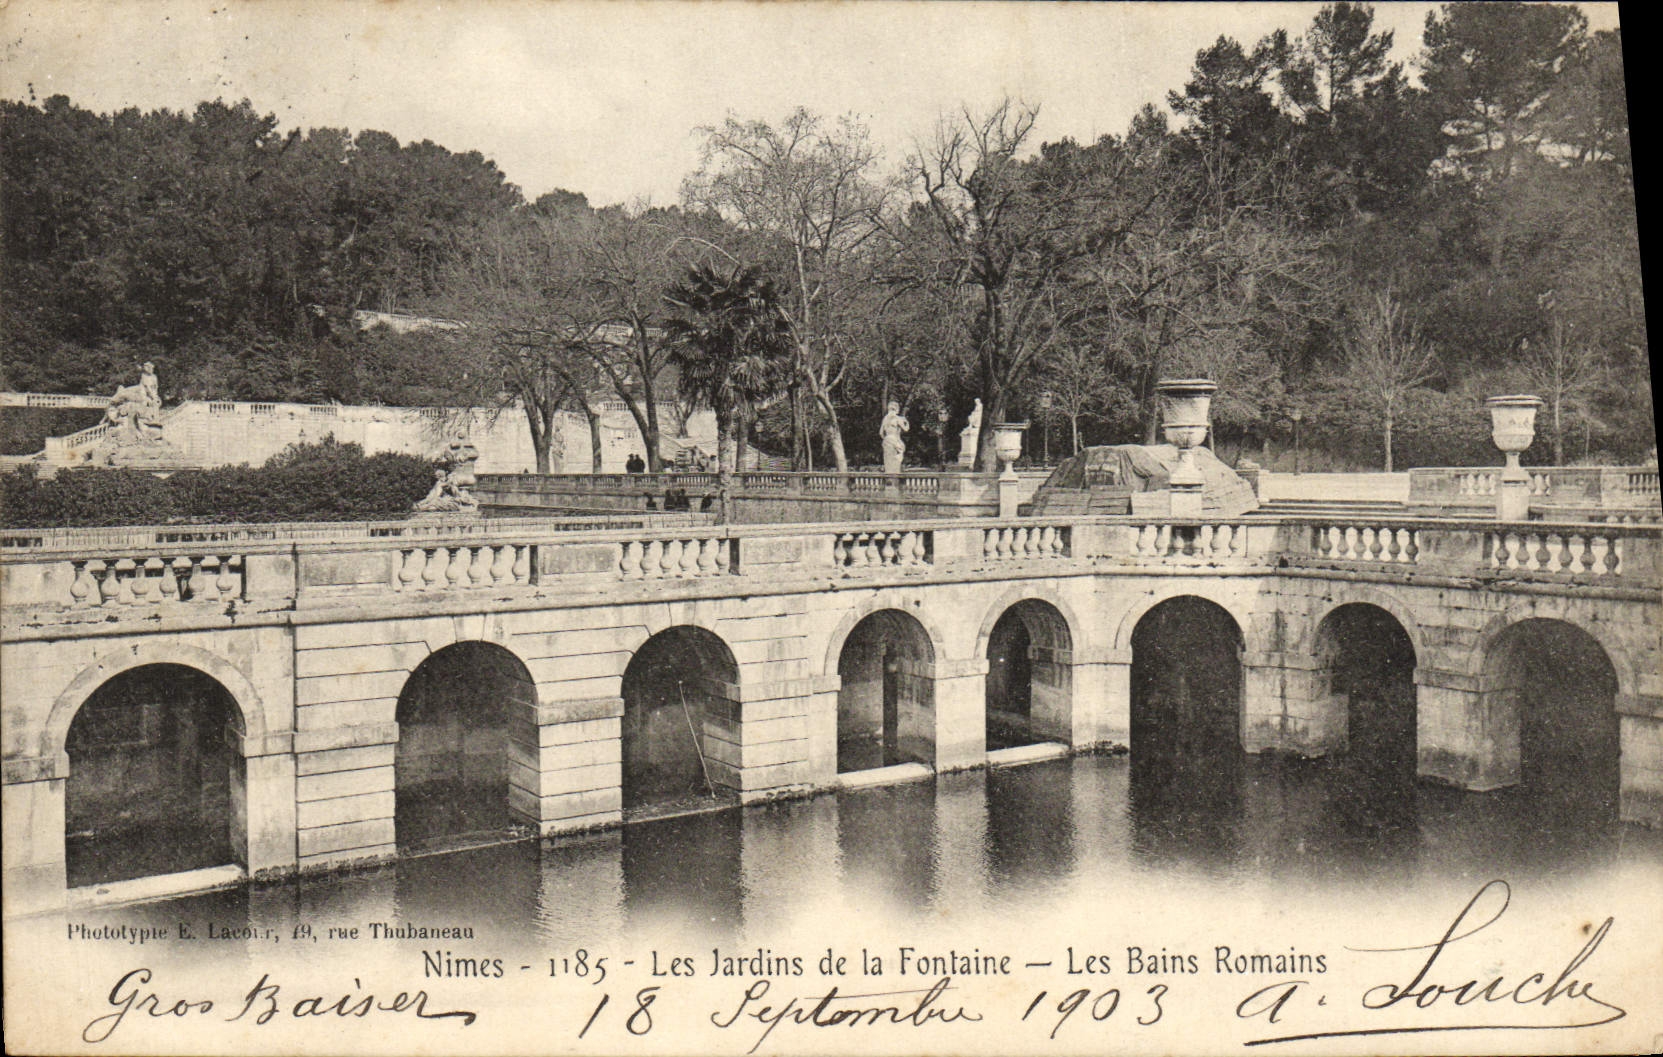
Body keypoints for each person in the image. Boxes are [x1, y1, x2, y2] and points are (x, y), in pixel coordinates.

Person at [880, 401, 910, 474]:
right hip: (894, 439)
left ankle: (889, 476)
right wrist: (907, 422)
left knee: (888, 460)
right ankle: (895, 477)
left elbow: (881, 433)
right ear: (897, 410)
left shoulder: (885, 419)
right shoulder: (897, 418)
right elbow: (906, 429)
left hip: (887, 440)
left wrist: (886, 438)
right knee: (898, 455)